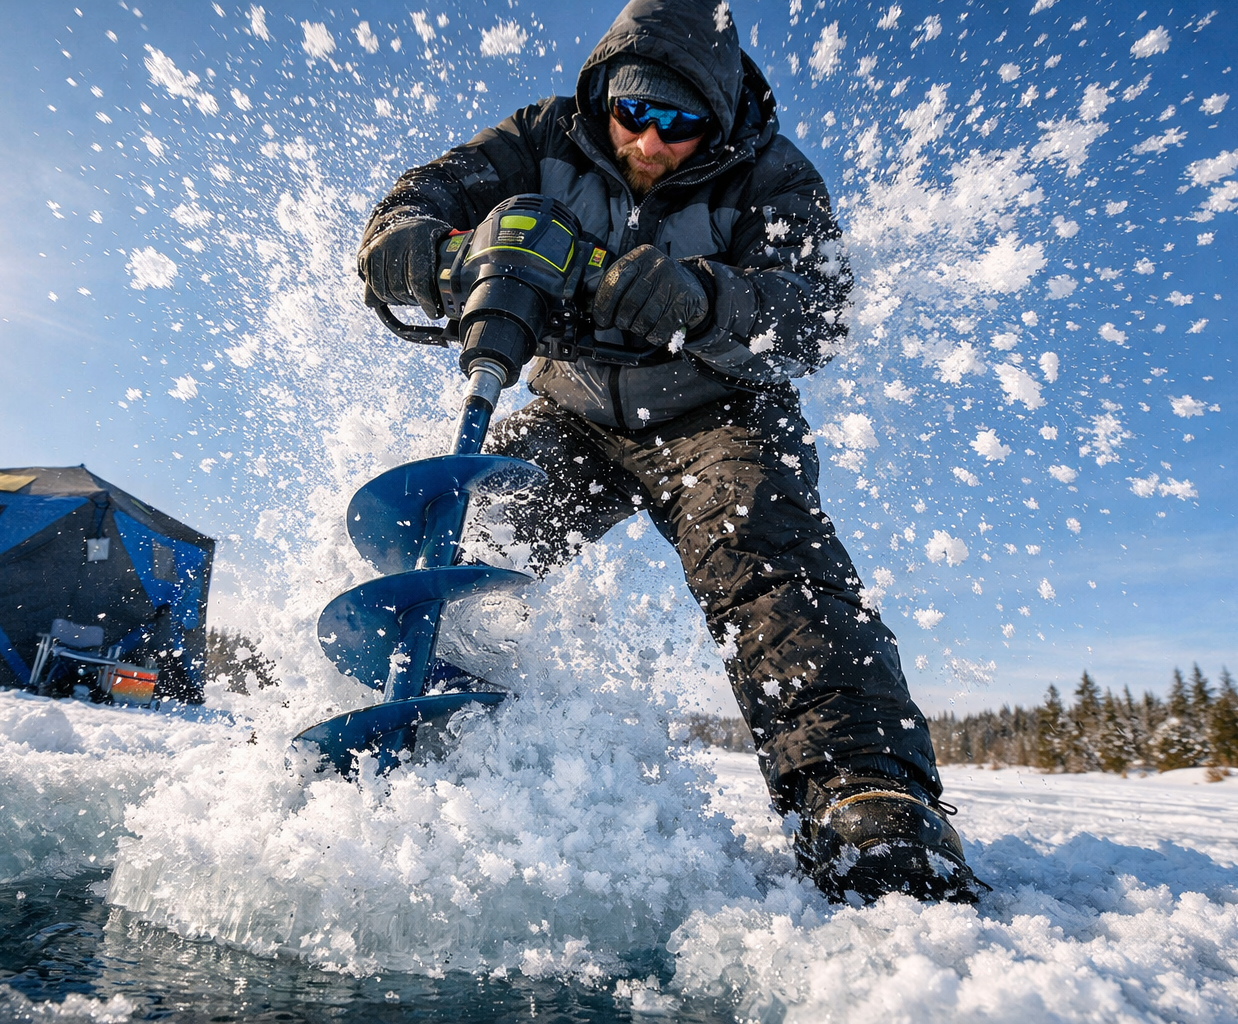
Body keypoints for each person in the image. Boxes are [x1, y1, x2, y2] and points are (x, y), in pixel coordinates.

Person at [357, 0, 982, 903]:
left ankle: (862, 793)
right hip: (573, 409)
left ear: (718, 122)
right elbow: (416, 203)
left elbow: (817, 310)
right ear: (602, 94)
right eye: (632, 114)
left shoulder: (774, 174)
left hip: (718, 412)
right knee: (467, 539)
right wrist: (424, 252)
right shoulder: (541, 133)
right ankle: (430, 732)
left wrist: (703, 300)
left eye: (680, 124)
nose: (649, 143)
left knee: (761, 548)